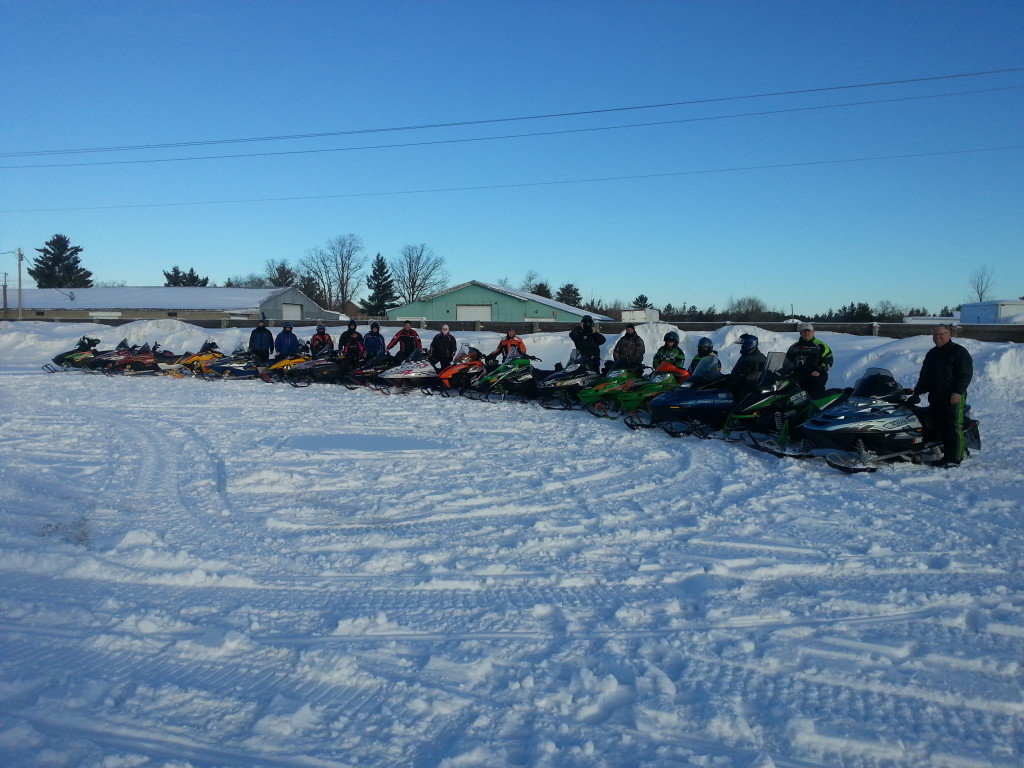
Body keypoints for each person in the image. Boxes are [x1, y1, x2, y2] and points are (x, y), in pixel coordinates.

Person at [911, 324, 974, 467]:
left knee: (952, 426)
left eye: (941, 334)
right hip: (936, 396)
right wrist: (918, 390)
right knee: (938, 425)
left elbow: (965, 374)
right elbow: (925, 375)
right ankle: (943, 453)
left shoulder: (959, 352)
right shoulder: (932, 353)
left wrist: (957, 391)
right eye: (935, 335)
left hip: (953, 396)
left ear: (949, 334)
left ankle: (954, 459)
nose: (937, 337)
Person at [785, 322, 833, 394]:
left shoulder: (820, 346)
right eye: (804, 331)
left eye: (809, 331)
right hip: (797, 377)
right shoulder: (793, 347)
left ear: (813, 332)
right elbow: (786, 362)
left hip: (814, 376)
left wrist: (819, 370)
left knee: (815, 395)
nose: (806, 333)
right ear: (800, 332)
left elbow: (829, 359)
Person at [725, 333, 767, 401]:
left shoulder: (760, 358)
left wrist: (745, 378)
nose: (742, 347)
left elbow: (759, 373)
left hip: (751, 385)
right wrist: (732, 377)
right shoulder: (744, 356)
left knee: (743, 388)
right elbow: (735, 369)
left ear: (749, 345)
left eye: (743, 345)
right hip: (740, 381)